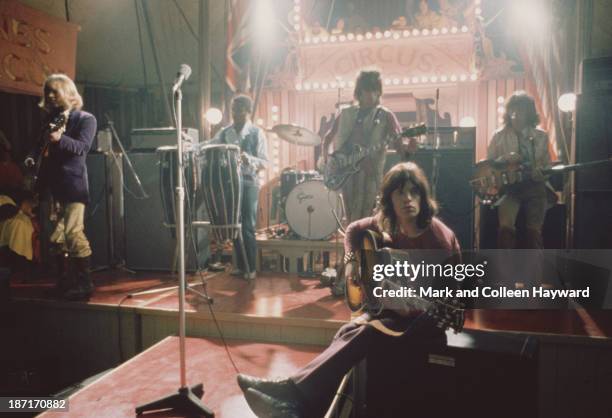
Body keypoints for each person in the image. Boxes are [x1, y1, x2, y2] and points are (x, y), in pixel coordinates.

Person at [237, 162, 460, 418]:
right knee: (348, 330)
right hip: (397, 309)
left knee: (365, 332)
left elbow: (439, 298)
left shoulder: (436, 237)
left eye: (414, 192)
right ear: (390, 199)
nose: (408, 199)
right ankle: (299, 405)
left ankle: (291, 393)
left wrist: (400, 303)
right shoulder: (388, 223)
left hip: (428, 318)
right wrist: (353, 263)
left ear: (423, 196)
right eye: (400, 193)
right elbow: (353, 230)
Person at [26, 73, 97, 300]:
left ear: (67, 92)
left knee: (73, 232)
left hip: (73, 185)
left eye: (54, 91)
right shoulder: (50, 120)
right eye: (47, 92)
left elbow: (82, 147)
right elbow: (38, 146)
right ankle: (65, 282)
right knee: (56, 237)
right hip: (52, 186)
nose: (49, 96)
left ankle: (85, 284)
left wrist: (60, 139)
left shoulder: (86, 119)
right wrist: (31, 157)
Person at [322, 70, 413, 223]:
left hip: (371, 175)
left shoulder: (386, 115)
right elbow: (327, 139)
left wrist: (409, 149)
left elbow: (400, 149)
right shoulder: (346, 113)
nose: (372, 95)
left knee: (369, 221)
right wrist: (328, 163)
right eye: (367, 90)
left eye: (375, 91)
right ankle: (352, 245)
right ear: (359, 92)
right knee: (351, 219)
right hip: (347, 175)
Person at [207, 95, 268, 280]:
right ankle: (240, 266)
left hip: (249, 183)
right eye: (233, 110)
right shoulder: (225, 132)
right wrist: (190, 145)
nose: (235, 114)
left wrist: (249, 159)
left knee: (248, 225)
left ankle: (250, 267)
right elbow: (209, 145)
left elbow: (264, 162)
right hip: (231, 184)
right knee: (235, 224)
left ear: (248, 112)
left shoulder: (257, 133)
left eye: (239, 110)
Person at [487, 91, 554, 249]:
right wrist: (504, 159)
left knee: (533, 233)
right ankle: (505, 269)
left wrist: (542, 173)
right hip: (510, 189)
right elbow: (489, 165)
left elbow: (547, 166)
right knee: (505, 229)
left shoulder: (541, 136)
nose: (516, 114)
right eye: (512, 110)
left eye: (521, 110)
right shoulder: (498, 136)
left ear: (529, 113)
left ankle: (534, 270)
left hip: (535, 187)